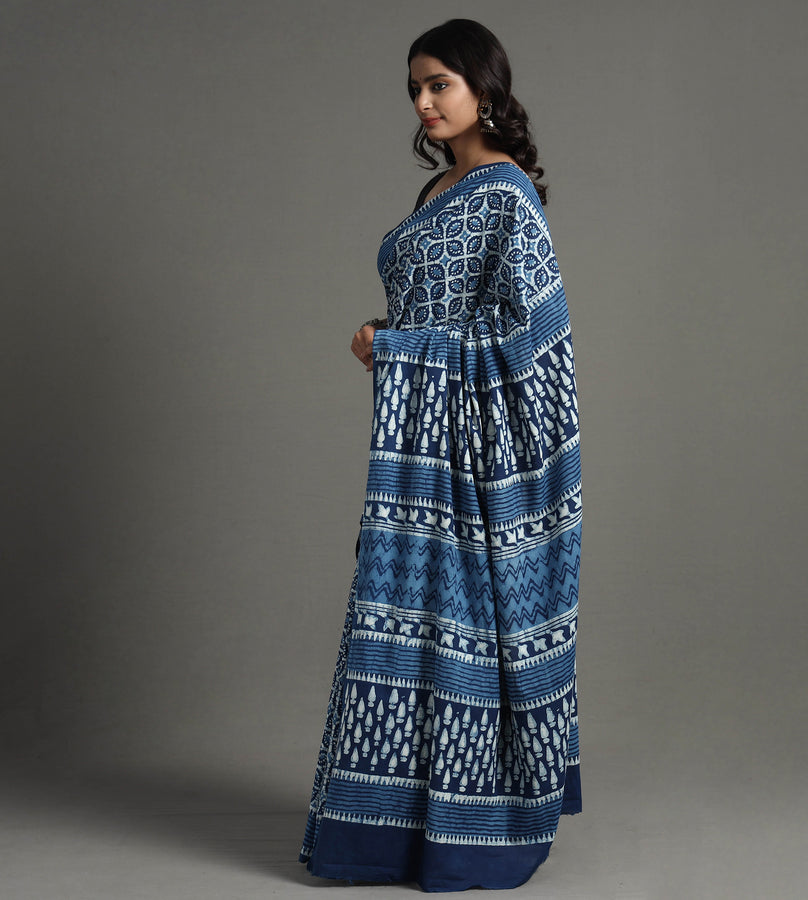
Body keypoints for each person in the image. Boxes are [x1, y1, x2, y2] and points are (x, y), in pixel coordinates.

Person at [299, 19, 582, 892]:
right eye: (415, 89)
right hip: (420, 450)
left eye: (439, 85)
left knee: (461, 627)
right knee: (403, 626)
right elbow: (441, 316)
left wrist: (399, 349)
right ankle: (386, 837)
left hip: (473, 463)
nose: (423, 103)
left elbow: (528, 342)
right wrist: (391, 337)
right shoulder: (438, 191)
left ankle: (472, 836)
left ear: (484, 89)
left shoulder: (505, 196)